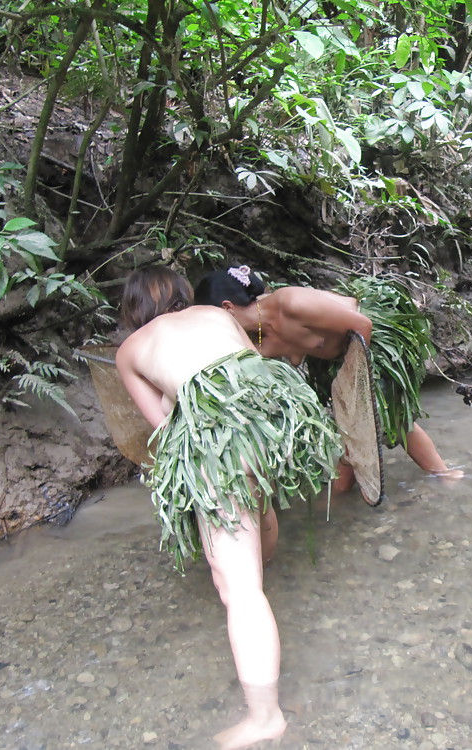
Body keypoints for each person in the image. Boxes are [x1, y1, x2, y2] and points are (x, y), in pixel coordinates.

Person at [115, 266, 342, 749]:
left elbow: (164, 427)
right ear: (183, 295)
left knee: (236, 588)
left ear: (132, 311)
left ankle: (265, 718)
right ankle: (265, 567)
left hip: (219, 434)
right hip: (270, 418)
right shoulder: (214, 314)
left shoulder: (130, 351)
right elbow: (244, 364)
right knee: (254, 498)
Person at [194, 267, 463, 490]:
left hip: (370, 346)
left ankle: (443, 473)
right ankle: (341, 494)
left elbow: (363, 325)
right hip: (335, 362)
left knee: (394, 419)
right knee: (343, 429)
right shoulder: (259, 333)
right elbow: (288, 358)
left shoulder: (290, 302)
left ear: (227, 308)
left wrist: (358, 386)